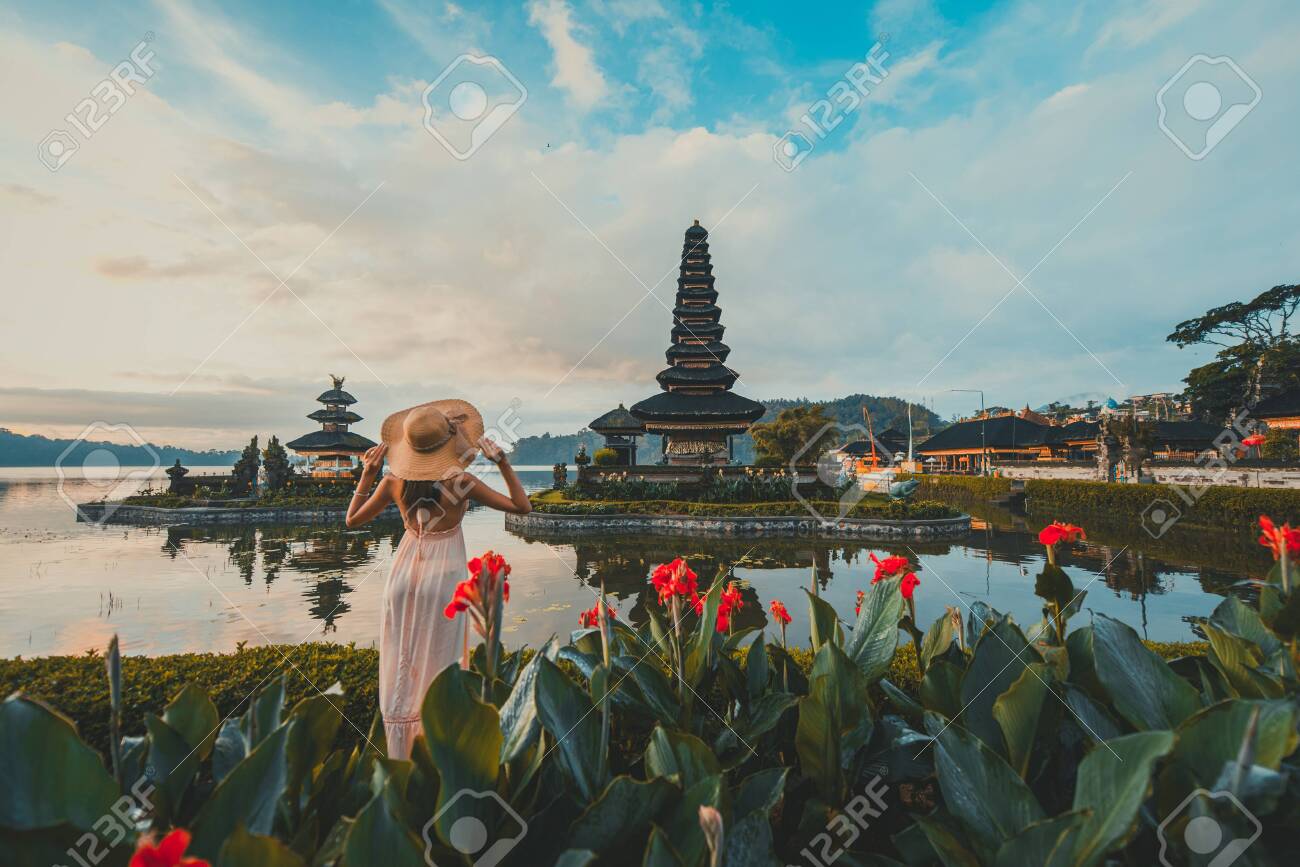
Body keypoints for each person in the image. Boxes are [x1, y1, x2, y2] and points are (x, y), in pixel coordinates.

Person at [344, 399, 530, 759]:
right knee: (440, 665)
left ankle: (400, 752)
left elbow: (352, 521)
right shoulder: (461, 482)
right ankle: (435, 750)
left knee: (402, 661)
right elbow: (522, 507)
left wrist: (368, 474)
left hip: (401, 577)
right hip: (444, 578)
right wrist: (503, 463)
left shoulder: (393, 483)